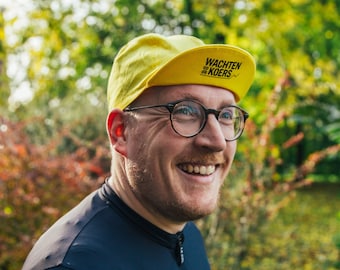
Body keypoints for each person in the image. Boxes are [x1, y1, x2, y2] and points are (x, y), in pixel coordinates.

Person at [22, 33, 256, 270]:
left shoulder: (187, 236)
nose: (217, 141)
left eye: (226, 115)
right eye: (185, 111)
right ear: (121, 132)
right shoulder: (75, 264)